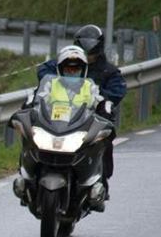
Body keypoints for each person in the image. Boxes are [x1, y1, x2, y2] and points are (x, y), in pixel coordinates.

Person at [37, 25, 126, 195]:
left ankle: (101, 181)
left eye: (76, 69)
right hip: (59, 116)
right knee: (34, 132)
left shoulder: (108, 71)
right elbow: (44, 71)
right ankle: (30, 172)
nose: (73, 70)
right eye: (69, 69)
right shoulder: (65, 62)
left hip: (91, 117)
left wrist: (102, 99)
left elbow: (118, 89)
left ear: (99, 48)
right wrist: (54, 83)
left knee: (104, 140)